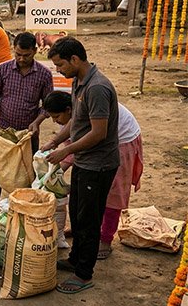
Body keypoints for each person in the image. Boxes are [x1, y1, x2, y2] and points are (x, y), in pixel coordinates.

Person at [42, 37, 119, 295]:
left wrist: (65, 151)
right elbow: (76, 120)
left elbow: (98, 132)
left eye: (60, 64)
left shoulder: (97, 87)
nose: (58, 70)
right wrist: (54, 140)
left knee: (88, 219)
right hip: (85, 162)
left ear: (75, 59)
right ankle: (76, 259)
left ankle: (84, 274)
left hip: (98, 164)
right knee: (76, 212)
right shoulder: (78, 82)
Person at [42, 91, 143, 260]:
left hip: (121, 141)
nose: (55, 121)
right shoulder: (71, 116)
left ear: (68, 110)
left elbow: (82, 145)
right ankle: (80, 229)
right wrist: (52, 173)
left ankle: (106, 239)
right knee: (84, 188)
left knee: (113, 194)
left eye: (56, 116)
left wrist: (61, 161)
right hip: (98, 144)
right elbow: (71, 149)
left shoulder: (89, 111)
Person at [0, 31, 53, 216]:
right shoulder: (3, 69)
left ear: (35, 51)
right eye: (18, 54)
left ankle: (22, 216)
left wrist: (37, 122)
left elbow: (48, 105)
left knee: (27, 177)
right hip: (3, 134)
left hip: (28, 136)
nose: (21, 59)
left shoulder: (44, 75)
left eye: (26, 55)